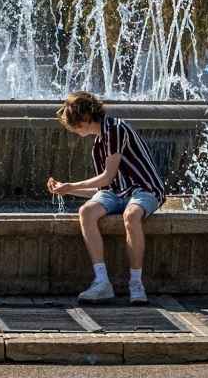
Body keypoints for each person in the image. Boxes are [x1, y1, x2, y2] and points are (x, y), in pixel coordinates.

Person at [46, 91, 167, 306]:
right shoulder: (98, 144)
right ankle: (102, 282)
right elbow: (106, 186)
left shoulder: (115, 129)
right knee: (86, 212)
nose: (72, 130)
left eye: (73, 124)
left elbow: (106, 176)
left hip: (144, 189)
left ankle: (136, 284)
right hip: (118, 192)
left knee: (131, 215)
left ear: (84, 119)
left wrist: (72, 184)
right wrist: (66, 190)